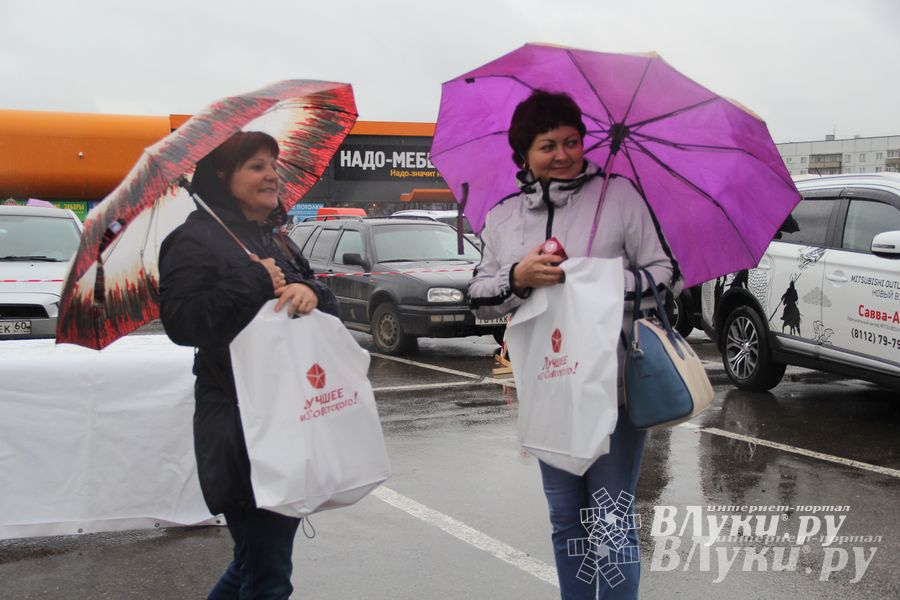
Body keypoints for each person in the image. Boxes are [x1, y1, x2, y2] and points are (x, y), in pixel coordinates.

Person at [469, 90, 677, 599]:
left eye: (571, 141)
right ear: (523, 156)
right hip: (548, 387)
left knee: (609, 519)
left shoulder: (620, 196)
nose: (563, 154)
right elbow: (478, 298)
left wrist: (593, 280)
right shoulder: (503, 217)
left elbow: (665, 276)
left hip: (614, 387)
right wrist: (518, 277)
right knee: (566, 520)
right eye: (547, 145)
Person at [159, 131, 339, 599]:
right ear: (222, 176)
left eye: (273, 165)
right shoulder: (191, 241)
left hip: (289, 413)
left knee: (253, 563)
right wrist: (252, 279)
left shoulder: (275, 237)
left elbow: (327, 299)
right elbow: (182, 324)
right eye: (256, 166)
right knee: (268, 573)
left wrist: (310, 293)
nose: (272, 175)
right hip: (239, 423)